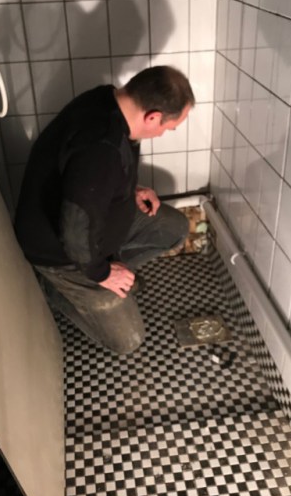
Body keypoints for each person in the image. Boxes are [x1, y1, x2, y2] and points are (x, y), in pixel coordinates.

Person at [15, 66, 195, 354]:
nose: (164, 133)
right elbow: (75, 231)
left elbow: (86, 178)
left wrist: (129, 189)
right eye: (168, 128)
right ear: (153, 117)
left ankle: (108, 270)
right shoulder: (100, 148)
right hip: (60, 253)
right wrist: (103, 274)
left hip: (89, 224)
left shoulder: (107, 100)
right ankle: (57, 289)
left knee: (173, 228)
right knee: (128, 340)